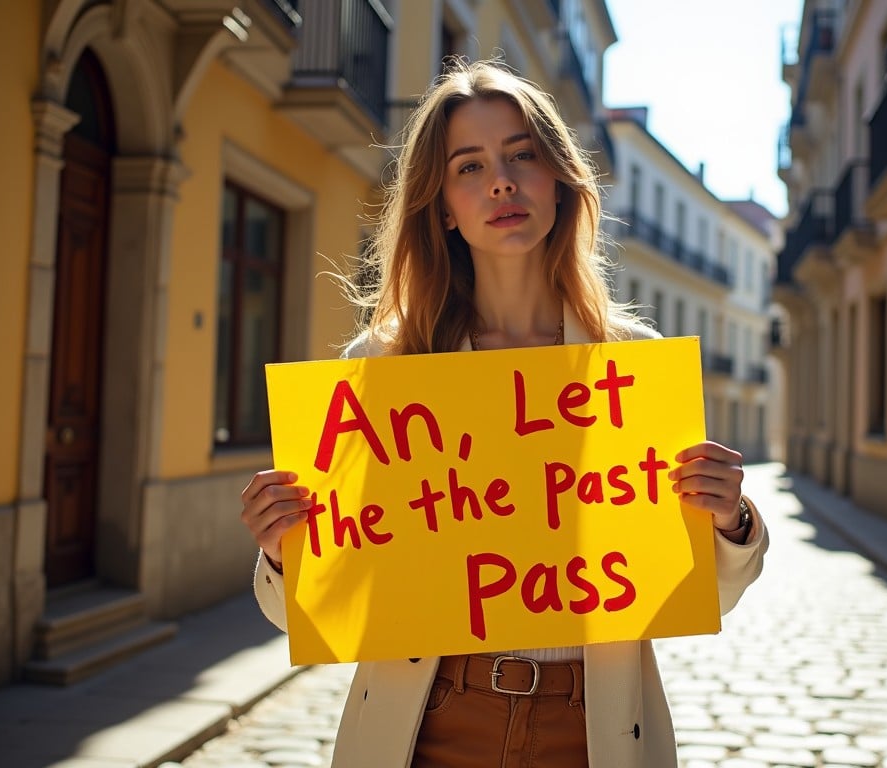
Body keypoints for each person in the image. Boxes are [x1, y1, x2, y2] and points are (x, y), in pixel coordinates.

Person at [240, 58, 768, 768]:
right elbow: (306, 607)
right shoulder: (385, 368)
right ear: (444, 206)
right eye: (469, 166)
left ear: (560, 180)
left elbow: (710, 592)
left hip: (592, 730)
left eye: (522, 155)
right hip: (428, 726)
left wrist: (728, 518)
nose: (501, 181)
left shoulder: (632, 367)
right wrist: (281, 547)